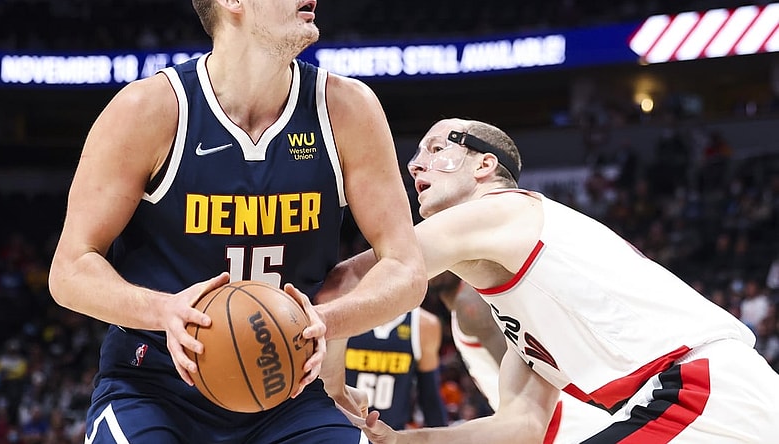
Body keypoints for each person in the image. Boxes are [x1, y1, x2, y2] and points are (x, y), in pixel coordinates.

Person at [47, 1, 426, 442]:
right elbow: (70, 268)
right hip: (155, 386)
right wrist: (165, 311)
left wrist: (324, 320)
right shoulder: (148, 109)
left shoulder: (347, 109)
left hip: (289, 391)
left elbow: (406, 269)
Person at [322, 118, 779, 442]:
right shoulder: (524, 316)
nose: (415, 164)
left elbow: (354, 280)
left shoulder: (503, 210)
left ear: (484, 166)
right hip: (703, 400)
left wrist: (334, 389)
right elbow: (518, 428)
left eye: (437, 149)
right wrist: (402, 441)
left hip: (699, 389)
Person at [430, 272, 612, 443]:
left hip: (563, 426)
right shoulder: (465, 304)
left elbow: (527, 377)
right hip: (556, 424)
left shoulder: (470, 302)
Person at [345, 307, 447, 430]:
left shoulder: (423, 324)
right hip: (343, 430)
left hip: (393, 433)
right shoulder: (344, 314)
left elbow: (430, 398)